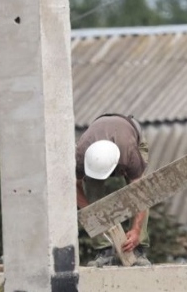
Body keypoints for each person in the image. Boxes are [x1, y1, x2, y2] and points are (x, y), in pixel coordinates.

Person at [76, 113, 151, 267]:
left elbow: (141, 194)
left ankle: (138, 249)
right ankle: (104, 250)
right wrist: (91, 213)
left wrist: (136, 229)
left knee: (139, 191)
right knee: (92, 193)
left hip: (132, 135)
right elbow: (74, 187)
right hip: (95, 140)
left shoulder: (129, 155)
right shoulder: (81, 155)